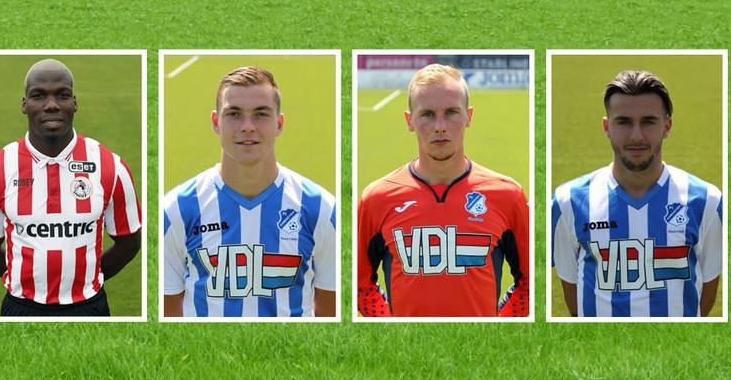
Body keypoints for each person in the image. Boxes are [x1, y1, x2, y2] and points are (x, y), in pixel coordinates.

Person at [0, 58, 142, 317]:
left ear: (74, 103)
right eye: (39, 96)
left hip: (90, 307)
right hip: (21, 308)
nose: (51, 105)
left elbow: (129, 241)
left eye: (62, 95)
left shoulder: (111, 166)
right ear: (24, 105)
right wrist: (18, 277)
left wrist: (89, 277)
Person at [357, 63, 530, 317]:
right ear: (410, 121)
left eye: (451, 112)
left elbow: (529, 284)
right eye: (427, 114)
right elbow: (360, 286)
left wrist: (496, 327)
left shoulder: (507, 195)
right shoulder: (376, 199)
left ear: (468, 116)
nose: (440, 126)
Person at [163, 66, 336, 318]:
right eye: (233, 114)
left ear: (279, 123)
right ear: (215, 122)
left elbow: (327, 316)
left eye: (260, 114)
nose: (247, 126)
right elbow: (170, 316)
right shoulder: (177, 209)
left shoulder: (320, 208)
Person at [552, 70, 722, 317]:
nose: (636, 136)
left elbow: (708, 286)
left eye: (648, 122)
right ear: (606, 127)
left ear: (667, 126)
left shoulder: (707, 200)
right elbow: (571, 286)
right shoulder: (568, 201)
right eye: (623, 122)